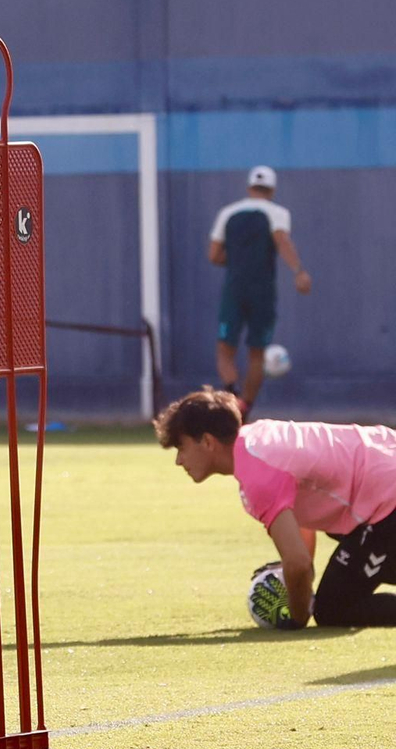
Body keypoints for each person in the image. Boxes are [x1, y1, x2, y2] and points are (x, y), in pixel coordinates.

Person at [156, 387, 396, 628]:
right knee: (352, 541)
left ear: (207, 441)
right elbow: (300, 542)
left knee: (333, 609)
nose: (178, 460)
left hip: (387, 499)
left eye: (181, 447)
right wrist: (300, 576)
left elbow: (298, 563)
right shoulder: (256, 438)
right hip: (387, 468)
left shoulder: (257, 476)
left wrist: (297, 614)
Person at [209, 166, 311, 416]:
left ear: (248, 188)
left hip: (234, 289)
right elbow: (281, 239)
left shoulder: (228, 213)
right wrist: (298, 270)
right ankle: (245, 408)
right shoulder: (277, 213)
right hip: (263, 291)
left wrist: (238, 261)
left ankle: (232, 397)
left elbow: (214, 255)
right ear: (272, 190)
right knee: (257, 353)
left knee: (225, 350)